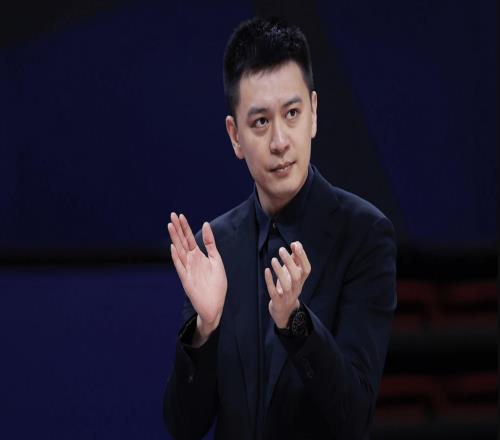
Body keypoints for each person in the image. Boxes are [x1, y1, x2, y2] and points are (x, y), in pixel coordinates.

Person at [163, 16, 396, 440]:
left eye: (292, 114)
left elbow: (354, 418)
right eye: (260, 122)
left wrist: (296, 323)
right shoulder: (215, 248)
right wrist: (205, 329)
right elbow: (184, 427)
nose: (280, 142)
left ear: (314, 114)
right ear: (235, 136)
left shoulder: (365, 235)